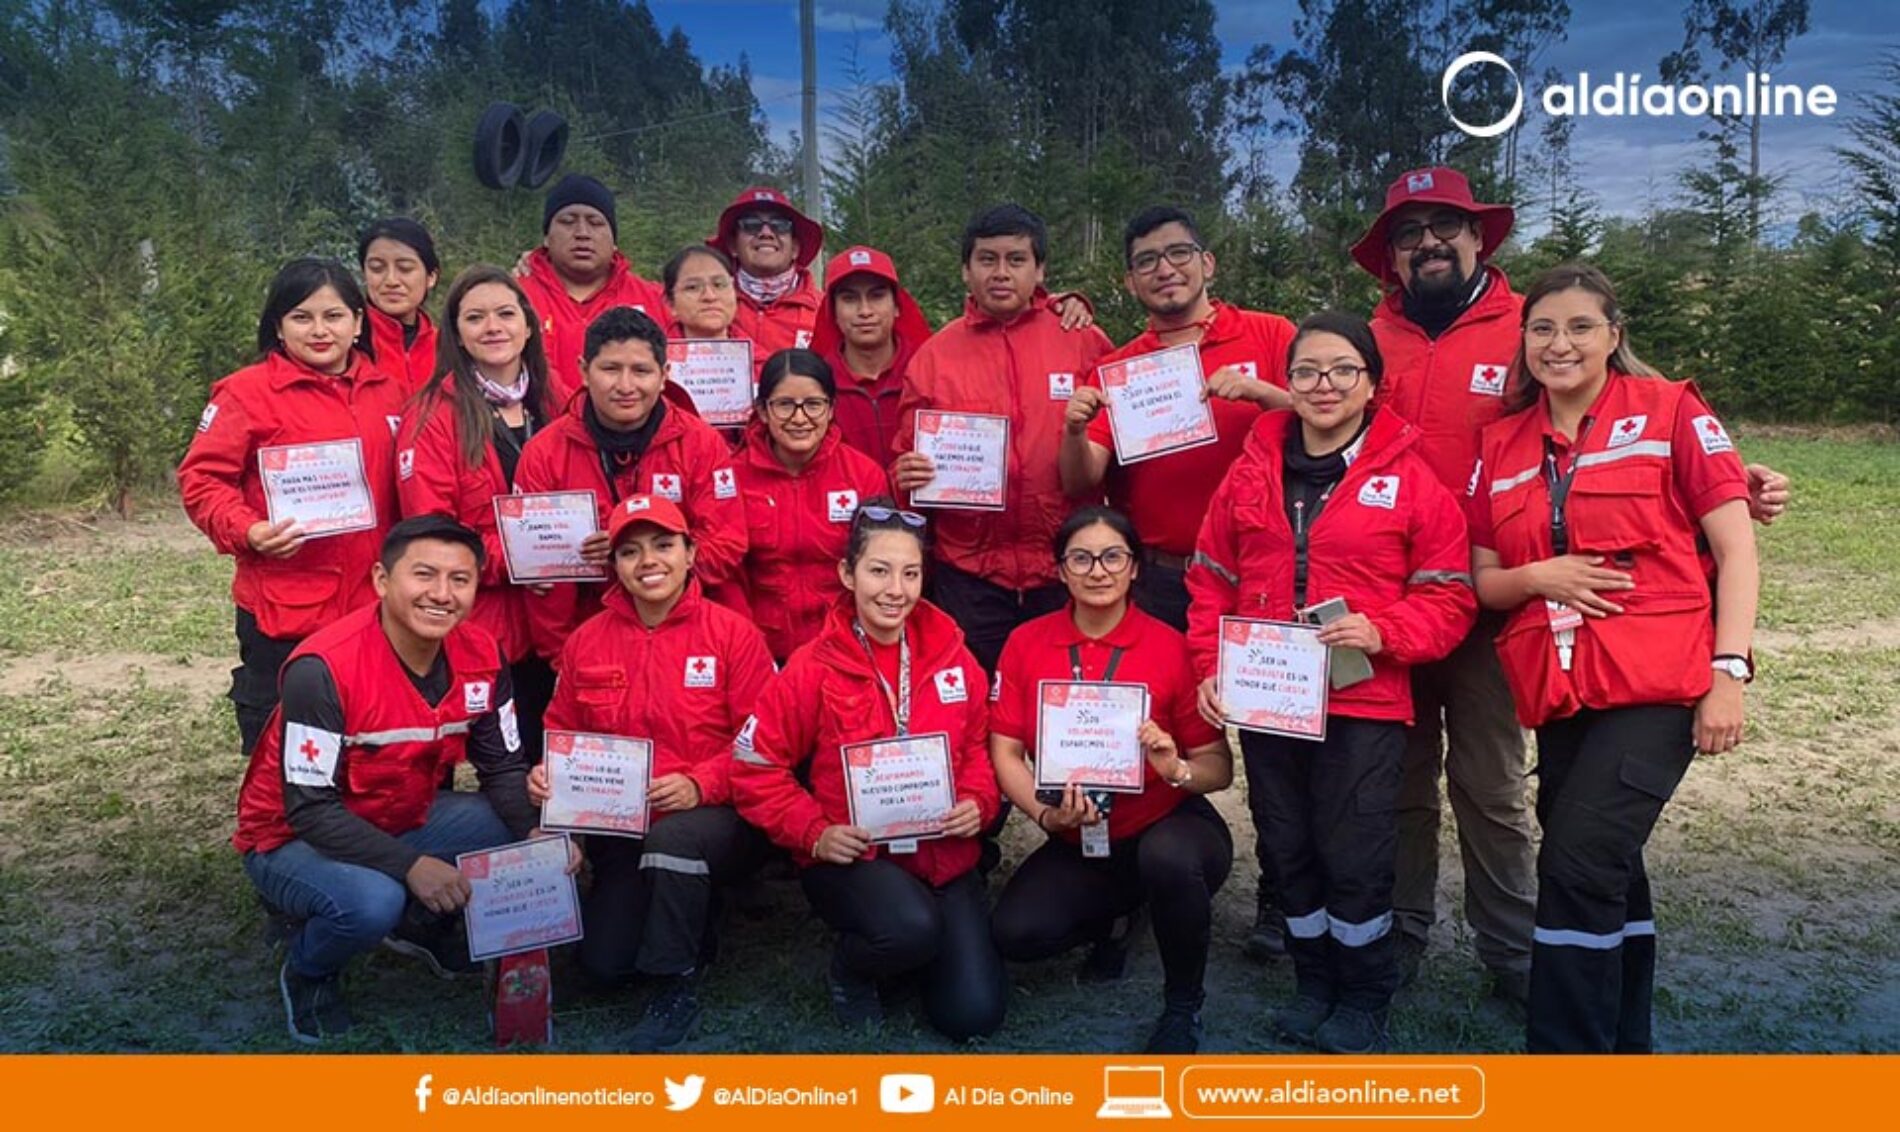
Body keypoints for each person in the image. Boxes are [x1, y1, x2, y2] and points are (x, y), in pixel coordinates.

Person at [1351, 166, 1790, 1006]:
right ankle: (1403, 936)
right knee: (1397, 785)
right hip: (1391, 601)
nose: (1428, 243)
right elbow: (1318, 410)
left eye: (1446, 225)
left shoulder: (1526, 326)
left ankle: (1518, 951)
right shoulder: (1371, 340)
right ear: (1391, 258)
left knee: (1489, 786)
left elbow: (1607, 431)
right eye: (1409, 233)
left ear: (1481, 238)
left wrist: (1737, 488)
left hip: (1494, 610)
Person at [1467, 264, 1758, 1053]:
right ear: (1522, 342)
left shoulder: (1670, 411)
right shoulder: (1500, 443)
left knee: (1576, 866)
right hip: (1561, 690)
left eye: (1579, 327)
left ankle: (1566, 1061)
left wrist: (1728, 674)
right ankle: (1627, 1046)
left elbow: (1736, 549)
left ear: (1613, 337)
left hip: (1659, 683)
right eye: (1542, 329)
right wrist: (1536, 577)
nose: (1559, 344)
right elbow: (1485, 581)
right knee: (1606, 864)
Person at [1187, 312, 1477, 1054]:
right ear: (1288, 382)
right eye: (1309, 371)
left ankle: (1363, 993)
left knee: (1355, 851)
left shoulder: (1410, 477)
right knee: (1288, 847)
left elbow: (1449, 594)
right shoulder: (1250, 470)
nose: (1324, 385)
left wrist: (1387, 631)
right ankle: (1313, 981)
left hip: (1363, 701)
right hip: (1269, 699)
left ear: (1371, 384)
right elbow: (1211, 580)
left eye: (1343, 370)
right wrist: (1209, 669)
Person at [232, 515, 575, 1044]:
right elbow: (309, 809)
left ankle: (431, 928)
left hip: (400, 813)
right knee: (372, 902)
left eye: (459, 580)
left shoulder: (483, 654)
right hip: (290, 836)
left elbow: (503, 766)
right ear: (381, 580)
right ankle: (309, 969)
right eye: (423, 575)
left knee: (515, 835)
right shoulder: (322, 669)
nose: (441, 594)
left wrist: (537, 836)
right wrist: (411, 866)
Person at [732, 501, 1006, 1041]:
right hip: (854, 857)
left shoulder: (954, 654)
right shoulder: (812, 666)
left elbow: (978, 745)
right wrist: (814, 832)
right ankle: (854, 966)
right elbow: (754, 765)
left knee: (973, 1016)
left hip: (941, 857)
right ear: (847, 573)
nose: (895, 590)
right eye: (879, 571)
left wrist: (978, 801)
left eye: (910, 573)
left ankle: (917, 949)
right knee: (909, 929)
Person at [525, 494, 775, 1051]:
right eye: (630, 551)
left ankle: (674, 985)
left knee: (675, 839)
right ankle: (692, 913)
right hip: (623, 829)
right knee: (604, 967)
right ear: (613, 566)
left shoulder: (734, 635)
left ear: (691, 553)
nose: (649, 562)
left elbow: (763, 748)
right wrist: (550, 780)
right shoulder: (586, 640)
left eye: (664, 545)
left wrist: (700, 783)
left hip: (717, 820)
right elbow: (562, 729)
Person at [989, 506, 1234, 1054]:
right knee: (1015, 934)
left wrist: (1175, 769)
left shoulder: (1170, 646)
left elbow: (1219, 767)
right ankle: (1122, 915)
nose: (1098, 571)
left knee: (1167, 860)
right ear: (1060, 570)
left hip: (1168, 825)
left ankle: (1182, 1005)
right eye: (1081, 557)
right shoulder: (1026, 643)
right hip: (1081, 834)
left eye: (1112, 557)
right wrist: (1046, 815)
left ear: (1134, 568)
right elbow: (1003, 751)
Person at [179, 257, 405, 756]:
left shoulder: (392, 392)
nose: (320, 330)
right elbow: (201, 480)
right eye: (302, 317)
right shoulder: (245, 393)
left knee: (376, 741)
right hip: (288, 607)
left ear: (359, 322)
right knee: (289, 749)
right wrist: (249, 529)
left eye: (334, 316)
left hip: (380, 605)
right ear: (278, 325)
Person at [892, 203, 1116, 675]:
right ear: (965, 271)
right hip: (970, 576)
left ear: (1040, 270)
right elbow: (909, 466)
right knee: (977, 714)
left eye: (1016, 259)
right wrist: (907, 476)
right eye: (987, 259)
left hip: (1064, 569)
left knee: (1065, 715)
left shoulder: (1083, 340)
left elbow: (1115, 448)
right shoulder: (935, 357)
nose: (1001, 272)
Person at [1059, 206, 1295, 632]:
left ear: (1207, 263)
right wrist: (1074, 430)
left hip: (1261, 570)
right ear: (1130, 282)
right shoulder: (1119, 369)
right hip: (1164, 579)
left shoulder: (1272, 334)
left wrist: (1262, 394)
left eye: (1179, 253)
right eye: (1147, 261)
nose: (1165, 269)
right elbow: (1081, 479)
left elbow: (1326, 428)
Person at [514, 307, 748, 664]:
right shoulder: (544, 453)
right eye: (610, 369)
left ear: (665, 374)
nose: (625, 386)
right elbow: (543, 578)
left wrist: (643, 554)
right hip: (590, 645)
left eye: (641, 371)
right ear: (583, 371)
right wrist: (563, 660)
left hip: (689, 637)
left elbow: (727, 544)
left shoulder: (701, 443)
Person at [397, 265, 557, 760]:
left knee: (542, 759)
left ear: (528, 326)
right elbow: (433, 536)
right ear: (458, 335)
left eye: (506, 313)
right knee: (468, 763)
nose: (493, 327)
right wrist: (522, 563)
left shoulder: (558, 401)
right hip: (476, 625)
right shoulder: (433, 416)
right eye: (475, 317)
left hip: (551, 623)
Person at [733, 348, 891, 663]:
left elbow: (882, 567)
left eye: (814, 405)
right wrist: (746, 647)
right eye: (785, 405)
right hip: (760, 650)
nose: (800, 418)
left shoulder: (863, 475)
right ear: (762, 411)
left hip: (847, 646)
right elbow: (728, 576)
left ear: (832, 409)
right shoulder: (733, 477)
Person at [515, 173, 669, 407]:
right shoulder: (514, 299)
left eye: (596, 222)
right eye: (568, 221)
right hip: (535, 437)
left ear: (614, 240)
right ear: (546, 237)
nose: (582, 233)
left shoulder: (656, 299)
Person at [809, 245, 935, 467]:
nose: (865, 311)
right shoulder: (815, 384)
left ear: (897, 306)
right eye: (849, 299)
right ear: (832, 312)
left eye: (877, 296)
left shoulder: (930, 373)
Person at [708, 186, 826, 360]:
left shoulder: (826, 311)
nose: (766, 233)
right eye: (751, 225)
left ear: (795, 248)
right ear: (733, 245)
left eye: (780, 226)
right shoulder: (705, 304)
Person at [359, 218, 442, 394]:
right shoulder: (346, 341)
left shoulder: (447, 346)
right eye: (376, 268)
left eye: (405, 269)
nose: (391, 281)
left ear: (431, 277)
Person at [661, 244, 745, 345]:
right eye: (693, 287)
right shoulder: (651, 358)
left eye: (719, 285)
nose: (710, 296)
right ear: (670, 304)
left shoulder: (760, 359)